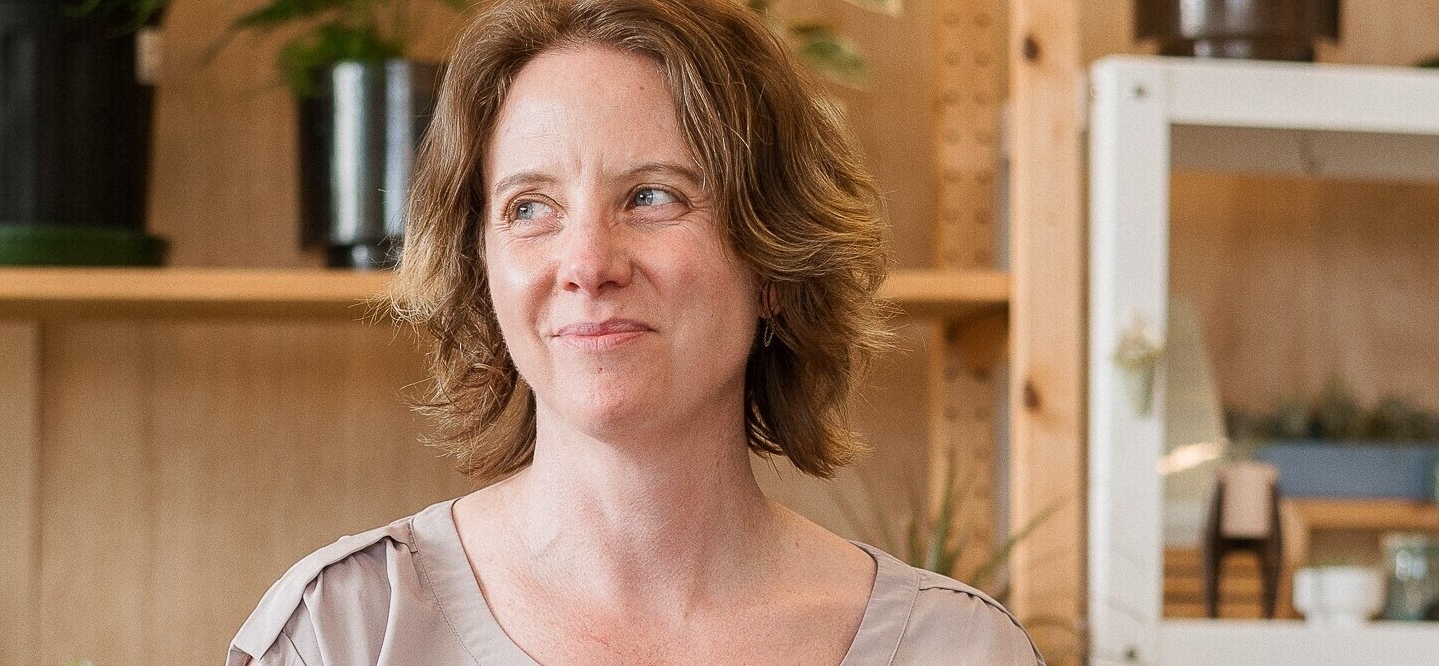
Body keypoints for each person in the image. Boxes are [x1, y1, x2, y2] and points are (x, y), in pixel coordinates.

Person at [228, 0, 1044, 663]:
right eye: (529, 207)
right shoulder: (347, 631)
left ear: (775, 266)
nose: (586, 263)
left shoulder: (956, 650)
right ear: (481, 269)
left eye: (652, 196)